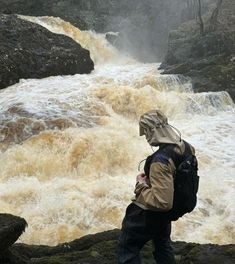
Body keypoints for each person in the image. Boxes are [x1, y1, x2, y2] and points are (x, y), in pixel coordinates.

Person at [118, 110, 195, 264]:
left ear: (153, 131)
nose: (145, 137)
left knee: (127, 247)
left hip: (150, 215)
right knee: (162, 244)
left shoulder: (160, 161)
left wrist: (141, 185)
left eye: (146, 132)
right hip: (171, 212)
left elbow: (162, 203)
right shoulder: (187, 148)